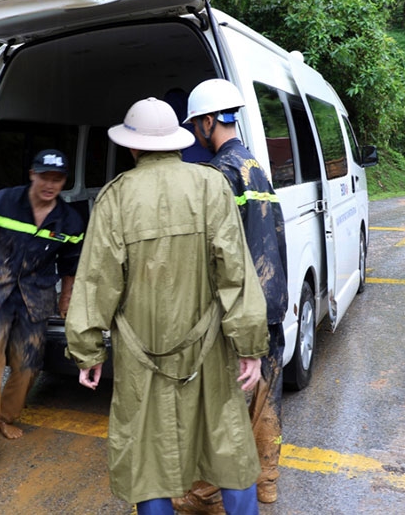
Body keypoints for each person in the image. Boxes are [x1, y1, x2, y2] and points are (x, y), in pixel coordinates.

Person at [65, 97, 269, 515]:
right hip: (209, 346)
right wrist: (250, 345)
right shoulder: (211, 184)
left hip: (142, 354)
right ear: (177, 141)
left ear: (132, 147)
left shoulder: (115, 198)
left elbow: (95, 283)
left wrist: (87, 351)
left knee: (146, 454)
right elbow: (236, 273)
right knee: (227, 441)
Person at [177, 78, 289, 511]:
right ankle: (267, 482)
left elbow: (215, 252)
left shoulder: (218, 174)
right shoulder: (255, 166)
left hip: (240, 308)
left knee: (223, 406)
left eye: (195, 125)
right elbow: (273, 235)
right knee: (266, 395)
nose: (194, 135)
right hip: (272, 302)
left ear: (208, 121)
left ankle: (205, 493)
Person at [0, 148, 84, 448]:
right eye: (44, 177)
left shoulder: (70, 221)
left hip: (36, 295)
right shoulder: (6, 200)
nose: (50, 185)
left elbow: (70, 265)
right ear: (32, 175)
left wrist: (66, 298)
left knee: (28, 363)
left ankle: (4, 417)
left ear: (64, 182)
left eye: (58, 179)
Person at [163, 88, 213, 163]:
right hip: (208, 155)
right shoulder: (193, 103)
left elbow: (166, 124)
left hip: (187, 156)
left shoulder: (171, 101)